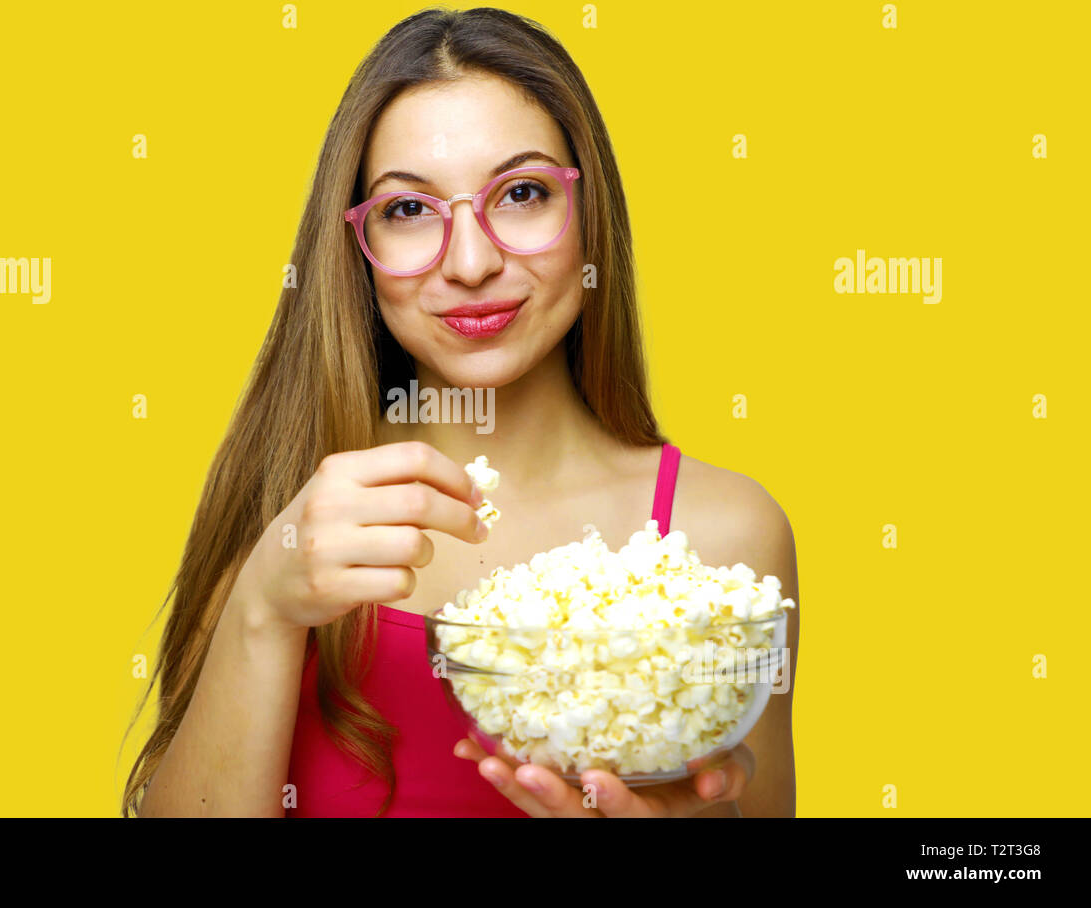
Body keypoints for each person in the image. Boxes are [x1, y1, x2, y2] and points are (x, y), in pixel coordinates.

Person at [124, 6, 799, 818]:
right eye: (408, 211)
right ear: (356, 246)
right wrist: (263, 608)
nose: (472, 262)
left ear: (589, 217)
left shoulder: (725, 539)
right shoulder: (287, 505)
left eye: (521, 194)